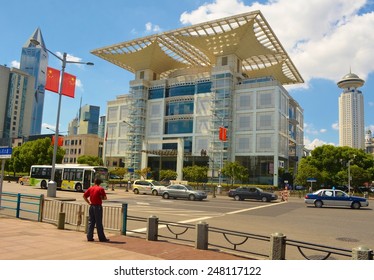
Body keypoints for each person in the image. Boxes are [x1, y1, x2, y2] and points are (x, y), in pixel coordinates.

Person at [83, 178, 109, 242]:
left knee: (91, 222)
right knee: (99, 223)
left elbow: (84, 196)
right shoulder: (100, 189)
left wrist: (89, 202)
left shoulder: (91, 188)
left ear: (94, 182)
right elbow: (105, 198)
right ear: (100, 183)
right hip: (98, 206)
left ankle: (89, 237)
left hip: (91, 206)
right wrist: (101, 197)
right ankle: (102, 238)